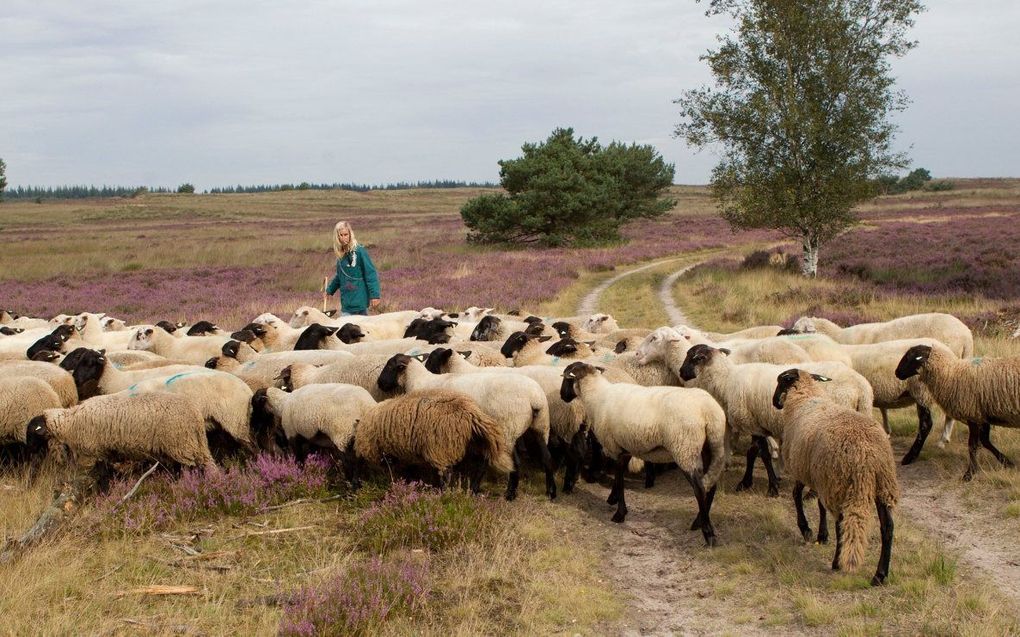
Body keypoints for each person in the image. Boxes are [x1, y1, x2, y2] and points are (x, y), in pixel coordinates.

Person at [325, 221, 380, 316]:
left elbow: (370, 274)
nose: (343, 238)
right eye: (340, 235)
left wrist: (375, 295)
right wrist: (330, 290)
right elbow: (340, 276)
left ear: (350, 234)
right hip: (346, 303)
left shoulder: (360, 251)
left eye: (346, 234)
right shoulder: (340, 255)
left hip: (360, 301)